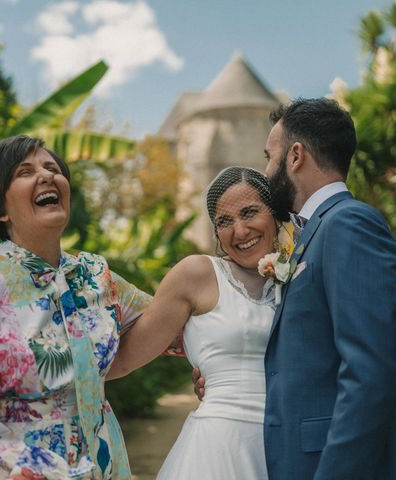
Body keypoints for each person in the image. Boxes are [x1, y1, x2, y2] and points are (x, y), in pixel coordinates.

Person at [195, 98, 396, 479]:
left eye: (269, 156)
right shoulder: (313, 233)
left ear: (295, 156)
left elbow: (370, 374)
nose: (266, 171)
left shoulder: (348, 224)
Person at [0, 135, 150, 479]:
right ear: (0, 208)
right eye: (25, 171)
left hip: (109, 467)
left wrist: (209, 363)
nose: (47, 176)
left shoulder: (94, 275)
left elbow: (166, 319)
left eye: (52, 168)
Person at [108, 166, 280, 479]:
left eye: (250, 212)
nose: (239, 231)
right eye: (224, 222)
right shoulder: (196, 274)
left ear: (275, 214)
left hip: (290, 447)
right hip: (220, 448)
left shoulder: (297, 274)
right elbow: (122, 360)